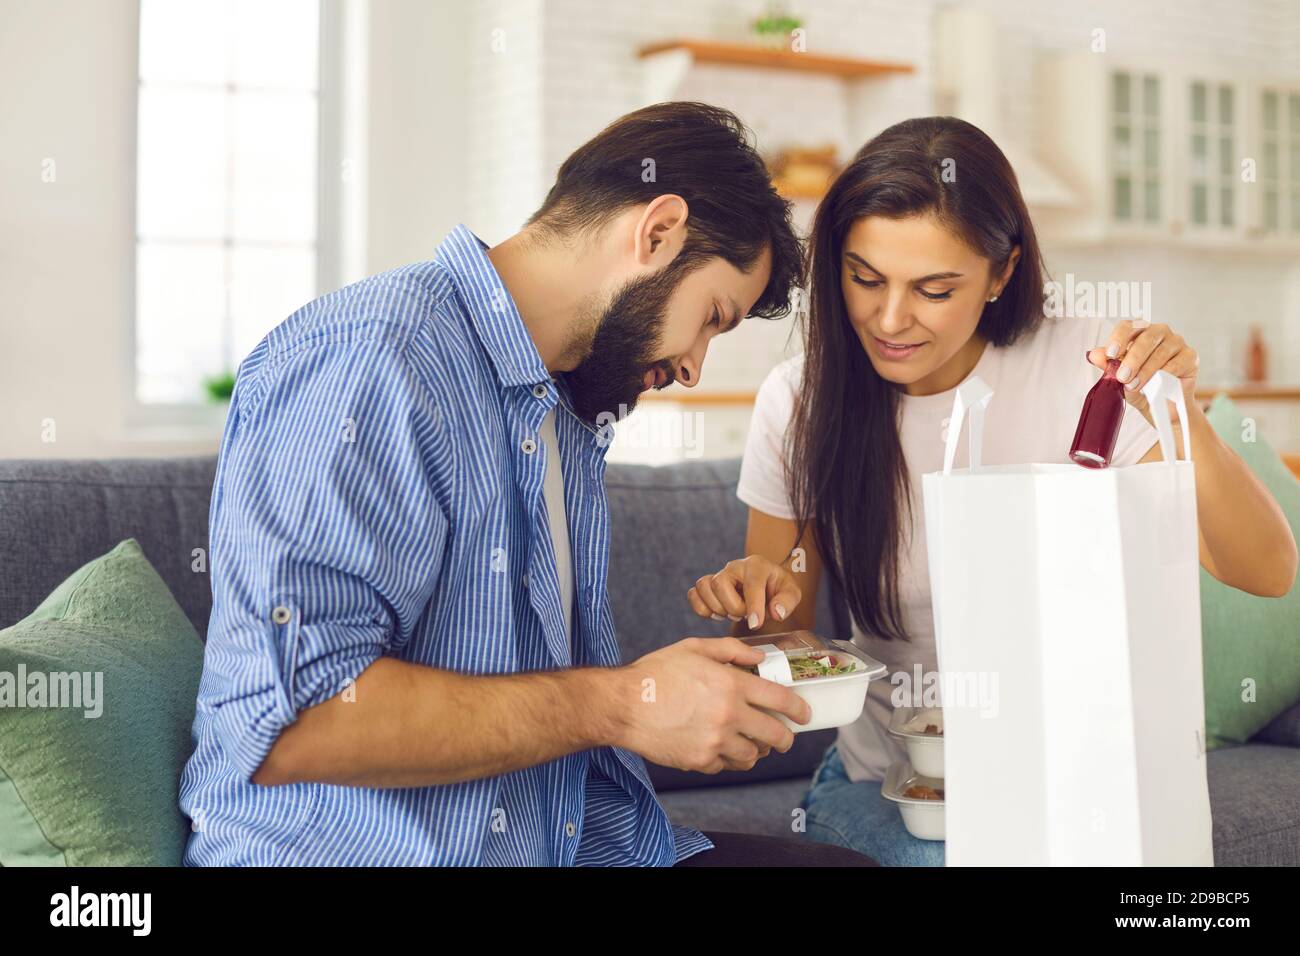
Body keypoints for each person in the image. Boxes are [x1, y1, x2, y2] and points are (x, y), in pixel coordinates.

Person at [180, 101, 875, 867]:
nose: (693, 367)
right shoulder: (374, 360)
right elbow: (294, 722)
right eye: (712, 317)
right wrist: (619, 705)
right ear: (657, 232)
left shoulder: (569, 409)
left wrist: (677, 695)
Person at [687, 116, 1298, 866]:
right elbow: (784, 642)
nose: (889, 319)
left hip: (1070, 771)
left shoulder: (1087, 368)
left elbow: (1265, 570)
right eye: (864, 278)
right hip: (900, 783)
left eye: (934, 289)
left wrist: (1178, 411)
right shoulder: (802, 400)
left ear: (1002, 274)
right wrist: (758, 606)